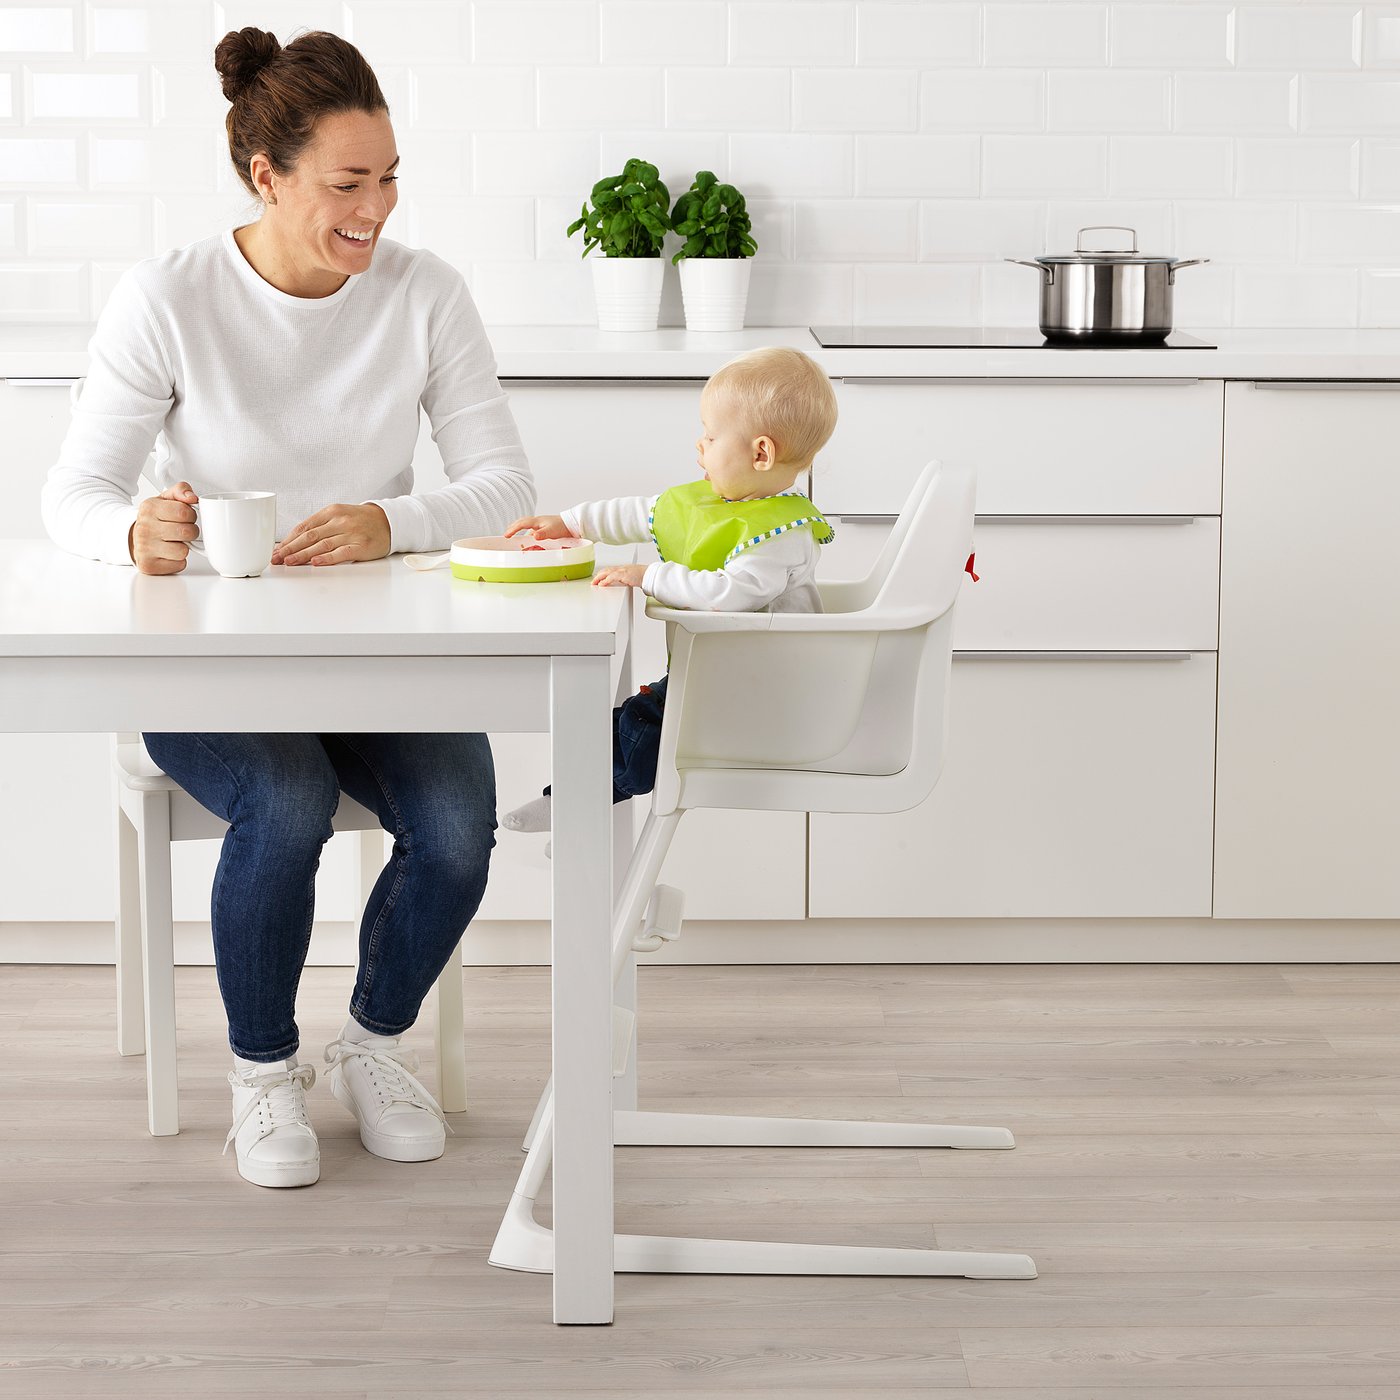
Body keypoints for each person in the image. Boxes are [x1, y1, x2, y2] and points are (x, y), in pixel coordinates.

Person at [41, 28, 534, 1189]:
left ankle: (370, 1041)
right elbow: (74, 492)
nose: (378, 208)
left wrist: (391, 518)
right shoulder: (169, 295)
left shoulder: (424, 295)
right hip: (211, 664)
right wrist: (132, 533)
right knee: (291, 795)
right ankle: (264, 1072)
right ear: (266, 176)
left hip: (382, 658)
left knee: (461, 824)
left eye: (390, 176)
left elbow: (505, 486)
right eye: (347, 183)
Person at [501, 346, 838, 837]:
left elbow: (731, 594)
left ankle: (573, 811)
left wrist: (649, 577)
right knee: (609, 720)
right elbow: (645, 512)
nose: (699, 446)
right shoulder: (725, 500)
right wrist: (570, 522)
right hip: (717, 679)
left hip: (762, 693)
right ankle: (574, 813)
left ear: (760, 453)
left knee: (639, 732)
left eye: (711, 435)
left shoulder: (780, 534)